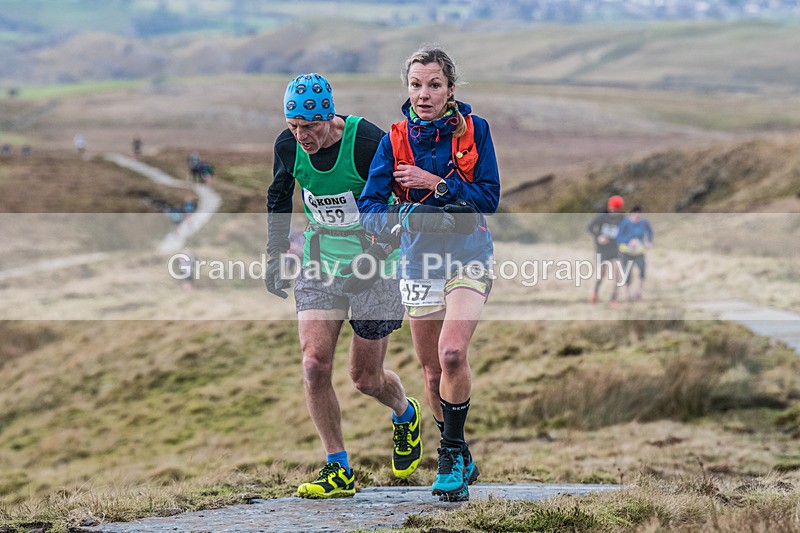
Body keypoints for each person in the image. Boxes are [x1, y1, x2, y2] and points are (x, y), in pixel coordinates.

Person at [265, 73, 421, 499]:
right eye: (293, 127)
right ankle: (338, 468)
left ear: (328, 117)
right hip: (321, 266)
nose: (301, 137)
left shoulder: (367, 141)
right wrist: (276, 254)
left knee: (366, 379)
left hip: (377, 268)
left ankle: (405, 413)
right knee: (314, 365)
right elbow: (278, 196)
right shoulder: (288, 145)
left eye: (309, 127)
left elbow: (400, 202)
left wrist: (374, 257)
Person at [357, 46, 500, 502]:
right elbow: (369, 207)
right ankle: (462, 454)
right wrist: (400, 217)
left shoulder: (476, 131)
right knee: (433, 371)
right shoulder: (394, 139)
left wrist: (435, 184)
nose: (424, 93)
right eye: (416, 85)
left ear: (451, 90)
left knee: (453, 353)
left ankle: (449, 453)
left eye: (434, 84)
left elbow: (488, 198)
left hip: (468, 253)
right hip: (418, 261)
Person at [586, 195, 625, 307]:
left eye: (618, 210)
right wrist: (599, 236)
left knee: (617, 273)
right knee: (602, 274)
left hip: (616, 249)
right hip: (602, 249)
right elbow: (589, 228)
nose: (615, 212)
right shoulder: (602, 216)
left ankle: (614, 298)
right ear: (609, 207)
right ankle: (595, 292)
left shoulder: (622, 219)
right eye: (613, 209)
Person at [616, 205, 654, 302]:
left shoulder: (644, 223)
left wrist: (648, 241)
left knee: (642, 271)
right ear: (631, 214)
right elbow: (619, 237)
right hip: (626, 252)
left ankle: (638, 293)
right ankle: (627, 295)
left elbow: (650, 232)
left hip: (639, 252)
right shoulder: (625, 223)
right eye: (635, 214)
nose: (637, 216)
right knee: (627, 274)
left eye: (639, 214)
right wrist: (629, 241)